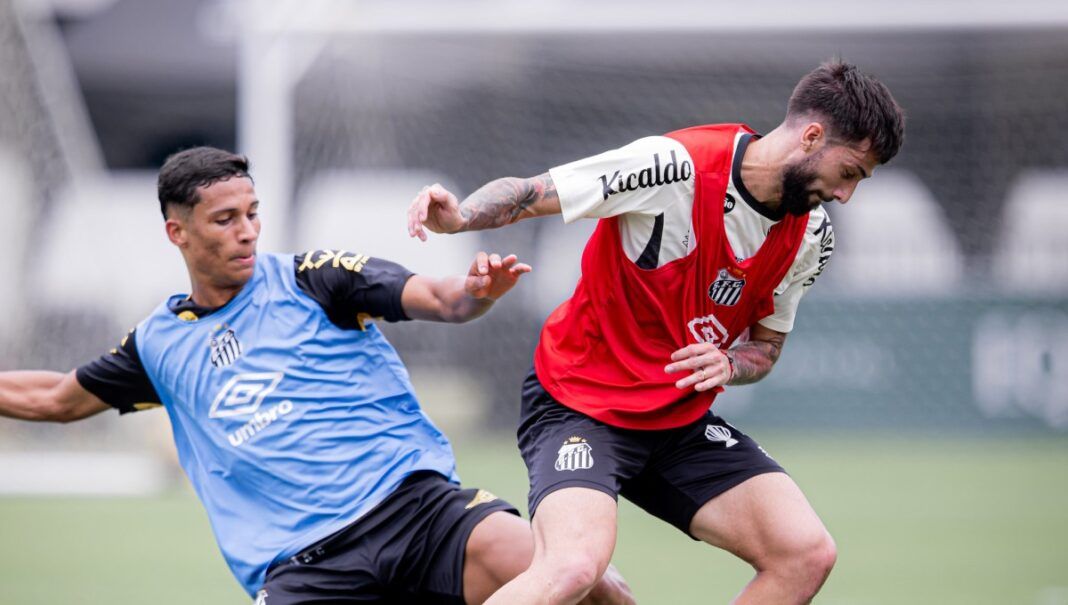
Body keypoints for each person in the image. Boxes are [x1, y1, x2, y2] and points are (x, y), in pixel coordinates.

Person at [0, 147, 633, 605]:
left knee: (588, 581)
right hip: (303, 567)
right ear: (178, 232)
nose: (247, 232)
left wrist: (479, 292)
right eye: (225, 220)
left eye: (252, 213)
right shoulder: (157, 346)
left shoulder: (316, 277)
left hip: (417, 514)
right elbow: (55, 399)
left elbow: (445, 300)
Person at [406, 61, 905, 604]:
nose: (847, 195)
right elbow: (533, 192)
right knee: (574, 568)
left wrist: (730, 364)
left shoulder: (812, 235)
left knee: (806, 552)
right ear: (811, 137)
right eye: (850, 172)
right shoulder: (674, 167)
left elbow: (766, 347)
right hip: (582, 406)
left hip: (678, 421)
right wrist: (459, 219)